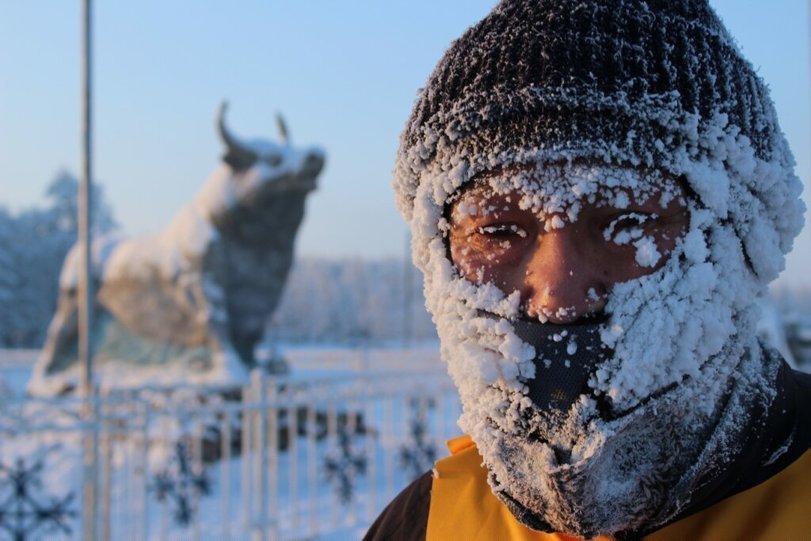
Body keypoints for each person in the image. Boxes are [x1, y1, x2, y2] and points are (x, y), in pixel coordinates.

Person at [366, 0, 810, 539]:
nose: (557, 296)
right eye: (497, 231)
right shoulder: (428, 522)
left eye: (627, 222)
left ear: (742, 243)